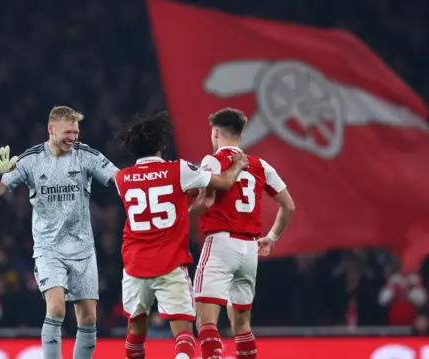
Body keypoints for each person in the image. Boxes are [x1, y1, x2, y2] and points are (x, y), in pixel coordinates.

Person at [0, 106, 119, 359]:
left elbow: (121, 181)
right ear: (51, 129)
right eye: (68, 132)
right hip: (49, 249)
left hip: (83, 249)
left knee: (88, 317)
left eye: (76, 132)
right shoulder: (31, 160)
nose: (73, 137)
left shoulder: (86, 156)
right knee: (56, 309)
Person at [113, 111, 249, 359]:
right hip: (170, 263)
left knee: (135, 330)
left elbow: (154, 198)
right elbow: (222, 183)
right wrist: (238, 165)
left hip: (135, 265)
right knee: (183, 333)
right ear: (161, 146)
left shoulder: (122, 179)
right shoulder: (179, 170)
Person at [189, 108, 296, 359]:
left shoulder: (212, 160)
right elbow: (289, 205)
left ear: (215, 132)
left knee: (206, 321)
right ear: (240, 134)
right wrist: (272, 237)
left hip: (220, 244)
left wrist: (182, 220)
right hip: (249, 250)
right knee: (242, 325)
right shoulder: (261, 165)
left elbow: (205, 202)